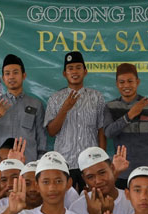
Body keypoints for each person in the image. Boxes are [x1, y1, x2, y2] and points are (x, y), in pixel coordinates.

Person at [44, 51, 106, 192]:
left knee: (92, 205)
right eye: (70, 68)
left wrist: (101, 161)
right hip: (64, 163)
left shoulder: (96, 97)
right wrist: (64, 109)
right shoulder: (55, 99)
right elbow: (51, 131)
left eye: (78, 67)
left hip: (91, 164)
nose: (74, 71)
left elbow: (102, 130)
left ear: (85, 71)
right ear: (64, 73)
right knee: (66, 206)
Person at [103, 63, 148, 188]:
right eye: (122, 82)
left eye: (130, 81)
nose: (126, 85)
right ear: (116, 84)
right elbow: (108, 133)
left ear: (137, 82)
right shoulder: (110, 106)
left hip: (147, 171)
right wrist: (129, 115)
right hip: (121, 173)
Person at [0, 54, 47, 166]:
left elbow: (42, 138)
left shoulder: (36, 104)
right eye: (7, 73)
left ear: (24, 75)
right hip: (2, 164)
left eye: (15, 72)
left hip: (28, 163)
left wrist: (39, 163)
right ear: (3, 78)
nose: (11, 77)